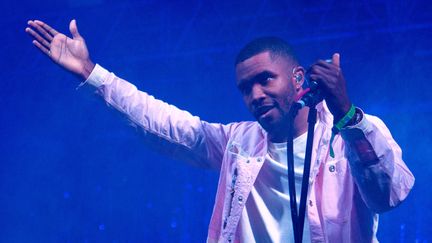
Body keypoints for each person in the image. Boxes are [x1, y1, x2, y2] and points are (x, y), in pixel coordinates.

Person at [26, 19, 414, 243]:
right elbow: (161, 123)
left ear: (299, 79)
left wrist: (346, 114)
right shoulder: (238, 142)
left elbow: (388, 195)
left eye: (265, 80)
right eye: (246, 88)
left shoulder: (349, 134)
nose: (255, 94)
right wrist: (91, 73)